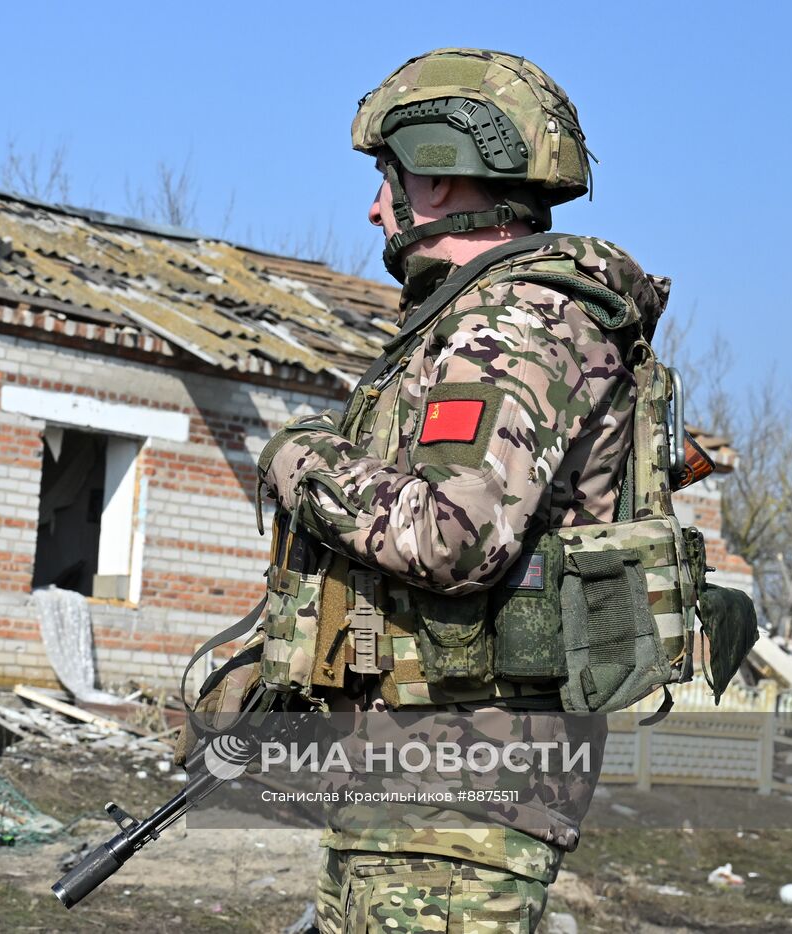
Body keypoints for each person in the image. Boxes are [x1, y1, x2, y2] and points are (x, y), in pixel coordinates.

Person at [250, 48, 680, 932]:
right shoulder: (493, 316)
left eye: (386, 178)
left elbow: (451, 532)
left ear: (440, 180)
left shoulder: (515, 322)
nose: (375, 206)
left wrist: (300, 461)